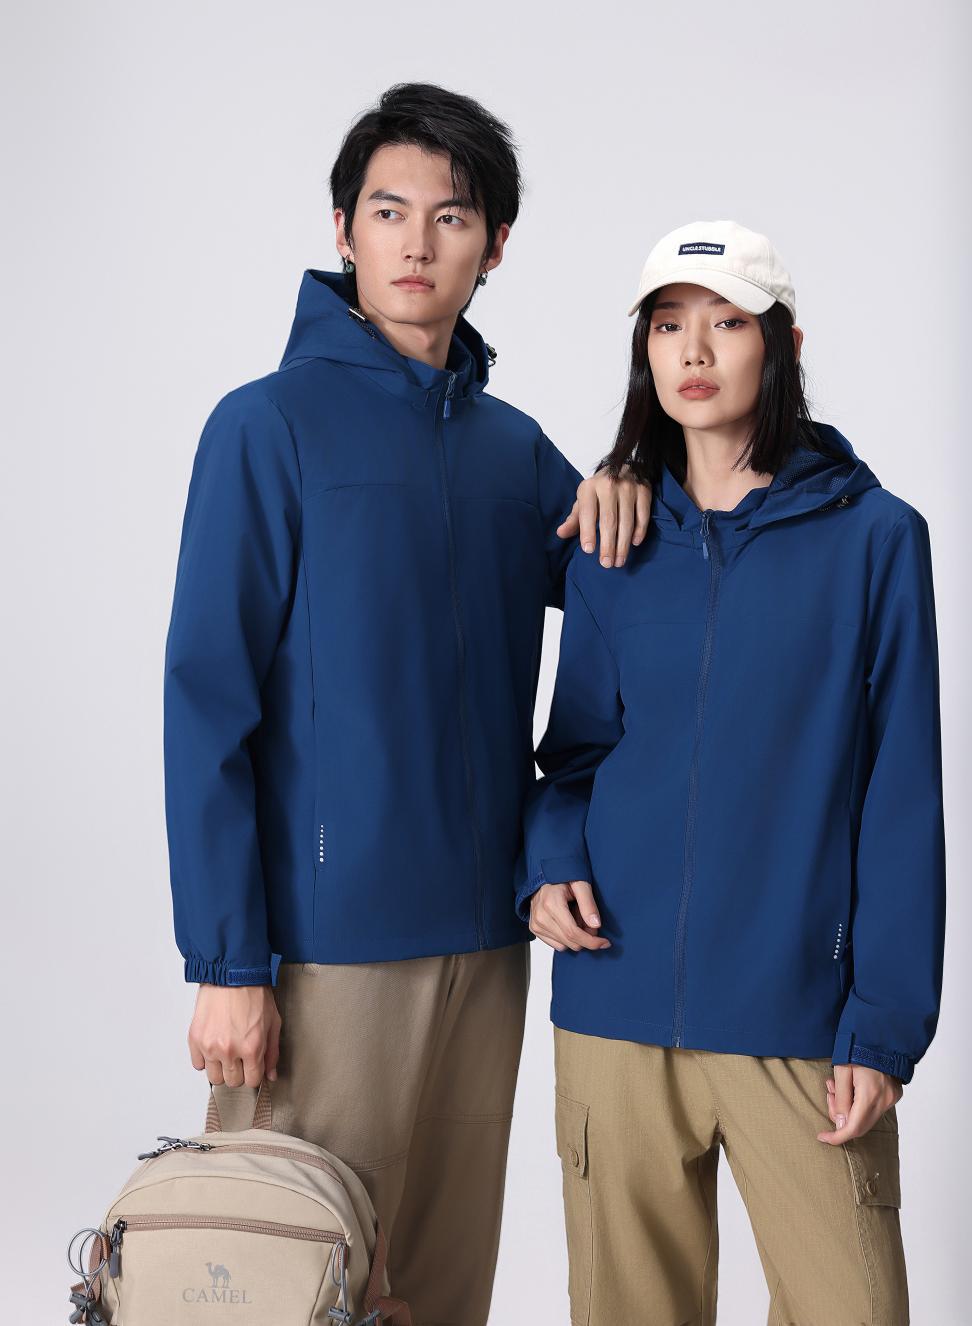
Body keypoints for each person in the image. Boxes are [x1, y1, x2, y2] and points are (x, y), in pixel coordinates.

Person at [161, 83, 649, 1325]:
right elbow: (206, 703)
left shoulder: (510, 450)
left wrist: (636, 476)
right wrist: (228, 962)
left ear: (495, 246)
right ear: (343, 229)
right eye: (388, 212)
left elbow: (630, 589)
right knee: (282, 1284)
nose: (417, 243)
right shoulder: (264, 428)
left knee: (435, 1288)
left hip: (485, 945)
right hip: (324, 951)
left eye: (450, 216)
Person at [518, 219, 945, 1325]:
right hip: (613, 1004)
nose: (694, 352)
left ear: (783, 345)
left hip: (796, 1018)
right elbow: (575, 754)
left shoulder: (875, 540)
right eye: (668, 327)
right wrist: (548, 862)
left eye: (727, 324)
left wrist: (884, 1027)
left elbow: (902, 793)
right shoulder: (614, 541)